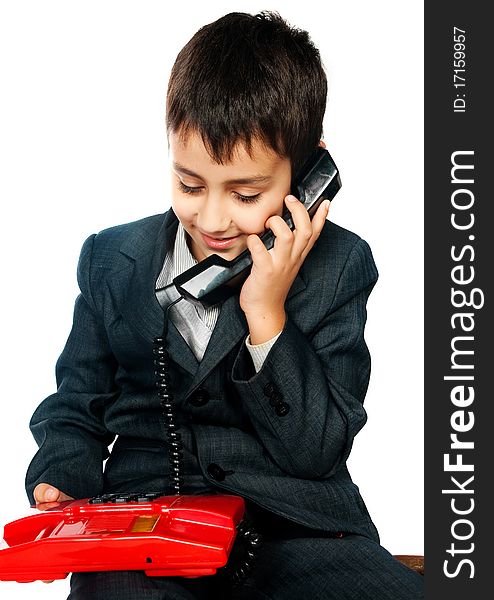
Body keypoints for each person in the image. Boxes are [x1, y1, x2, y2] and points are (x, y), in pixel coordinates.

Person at [25, 11, 423, 600]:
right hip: (147, 533)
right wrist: (62, 471)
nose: (212, 219)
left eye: (245, 194)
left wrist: (267, 312)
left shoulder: (341, 266)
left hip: (294, 532)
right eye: (190, 185)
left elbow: (317, 451)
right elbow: (75, 404)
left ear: (307, 173)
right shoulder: (111, 260)